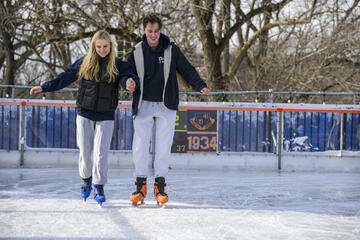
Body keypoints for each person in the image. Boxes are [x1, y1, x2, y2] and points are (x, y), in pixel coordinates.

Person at [30, 30, 139, 206]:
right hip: (85, 112)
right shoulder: (85, 62)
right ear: (93, 47)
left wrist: (129, 83)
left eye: (105, 46)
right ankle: (86, 181)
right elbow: (65, 77)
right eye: (99, 47)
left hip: (106, 114)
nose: (102, 50)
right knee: (85, 150)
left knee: (101, 153)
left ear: (110, 46)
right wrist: (44, 87)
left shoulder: (118, 65)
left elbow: (129, 77)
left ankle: (99, 185)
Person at [127, 14, 210, 207]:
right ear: (143, 31)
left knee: (163, 146)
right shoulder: (136, 51)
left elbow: (187, 69)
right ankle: (140, 186)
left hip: (166, 103)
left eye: (156, 31)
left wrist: (200, 85)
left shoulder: (172, 50)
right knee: (140, 145)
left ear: (160, 30)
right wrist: (128, 83)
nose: (153, 35)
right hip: (143, 103)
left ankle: (160, 186)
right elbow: (127, 74)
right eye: (150, 31)